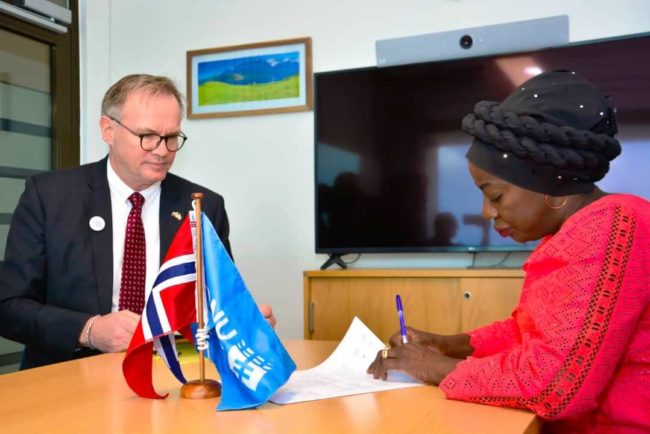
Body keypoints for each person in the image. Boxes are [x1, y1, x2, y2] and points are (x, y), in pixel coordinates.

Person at [368, 70, 649, 432]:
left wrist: (434, 367)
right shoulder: (573, 231)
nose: (487, 212)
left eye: (496, 196)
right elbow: (527, 333)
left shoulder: (613, 226)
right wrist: (448, 345)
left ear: (549, 182)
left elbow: (556, 386)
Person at [0, 74, 276, 370]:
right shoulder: (49, 196)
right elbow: (9, 307)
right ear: (108, 130)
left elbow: (216, 303)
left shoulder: (202, 205)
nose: (162, 150)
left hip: (170, 373)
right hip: (68, 374)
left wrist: (244, 323)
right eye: (148, 136)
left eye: (171, 137)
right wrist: (89, 330)